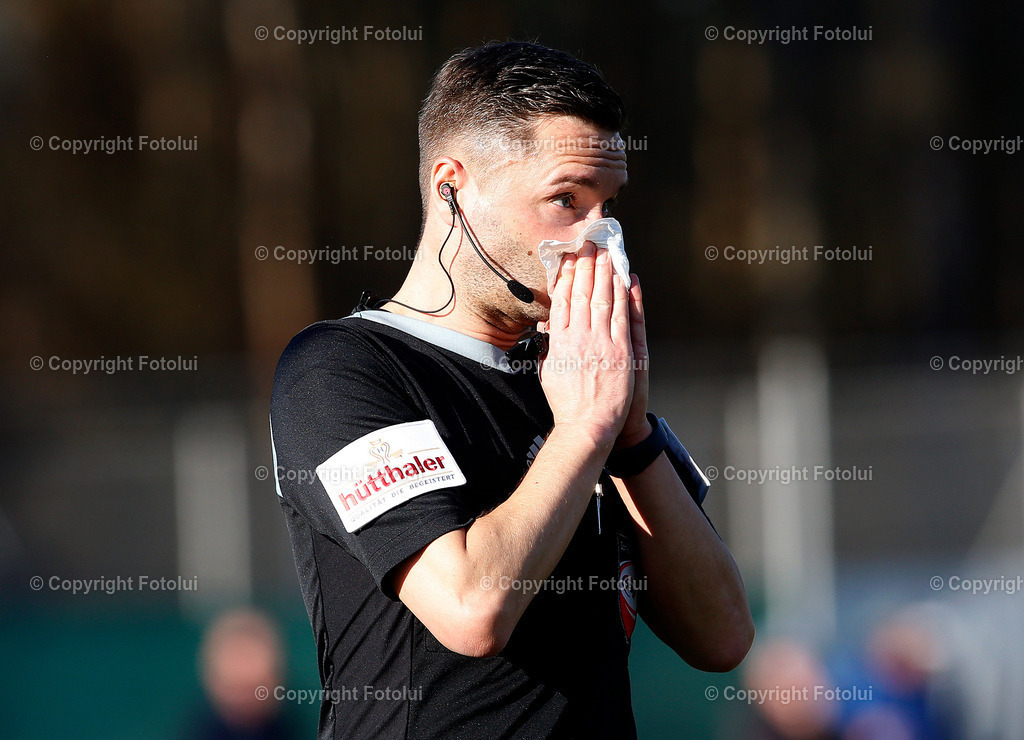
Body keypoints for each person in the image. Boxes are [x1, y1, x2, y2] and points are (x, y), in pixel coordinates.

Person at [270, 40, 753, 739]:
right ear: (452, 186)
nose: (599, 239)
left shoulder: (580, 378)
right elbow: (471, 611)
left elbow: (724, 636)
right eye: (566, 200)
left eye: (609, 207)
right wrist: (584, 430)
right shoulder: (340, 367)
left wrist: (630, 434)